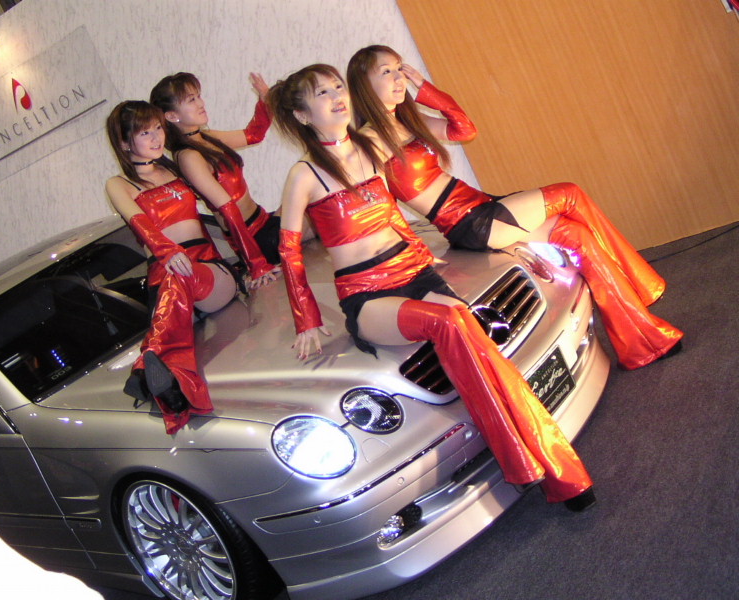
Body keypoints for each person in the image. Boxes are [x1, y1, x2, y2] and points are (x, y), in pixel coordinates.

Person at [267, 63, 595, 510]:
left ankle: (532, 456)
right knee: (449, 322)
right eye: (321, 93)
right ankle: (533, 463)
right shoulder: (304, 174)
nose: (336, 96)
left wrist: (435, 252)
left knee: (474, 334)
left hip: (414, 271)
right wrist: (306, 318)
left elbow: (395, 210)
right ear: (303, 115)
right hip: (368, 294)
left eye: (337, 86)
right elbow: (289, 250)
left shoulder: (370, 146)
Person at [347, 45, 683, 371]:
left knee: (576, 234)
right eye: (386, 71)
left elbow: (465, 129)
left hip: (482, 206)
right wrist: (417, 252)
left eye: (399, 68)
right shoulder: (370, 141)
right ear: (364, 84)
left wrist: (425, 89)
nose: (399, 77)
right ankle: (642, 284)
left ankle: (643, 342)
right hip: (471, 223)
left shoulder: (408, 121)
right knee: (569, 194)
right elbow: (382, 208)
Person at [105, 101, 238, 434]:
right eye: (144, 133)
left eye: (158, 129)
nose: (156, 138)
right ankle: (172, 390)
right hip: (167, 282)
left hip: (209, 273)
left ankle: (145, 365)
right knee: (175, 280)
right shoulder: (119, 184)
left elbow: (223, 204)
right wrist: (167, 252)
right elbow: (138, 222)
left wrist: (259, 263)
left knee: (181, 275)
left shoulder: (178, 166)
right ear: (124, 143)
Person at [150, 72, 280, 289]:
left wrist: (265, 101)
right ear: (172, 116)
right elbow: (228, 210)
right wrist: (257, 265)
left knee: (313, 203)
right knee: (317, 211)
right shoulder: (189, 156)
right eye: (191, 100)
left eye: (198, 96)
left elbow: (253, 135)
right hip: (255, 240)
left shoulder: (207, 137)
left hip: (264, 221)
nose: (201, 103)